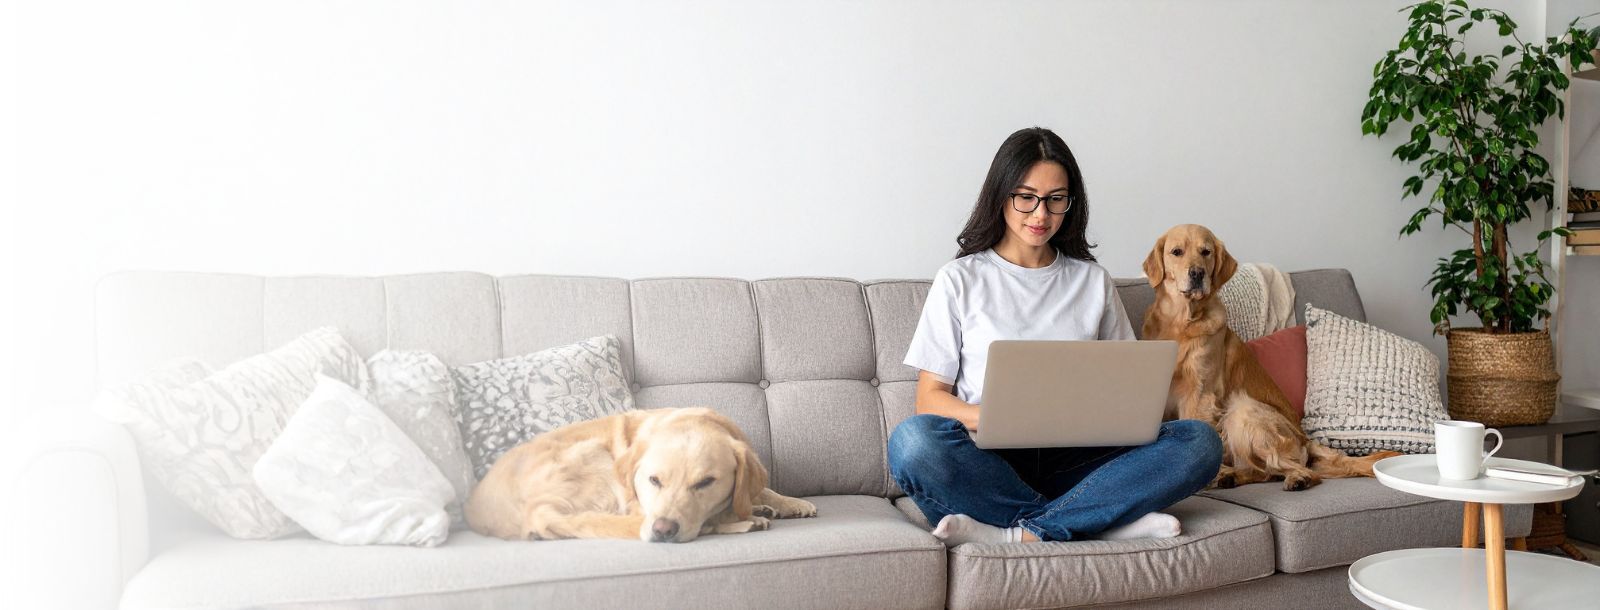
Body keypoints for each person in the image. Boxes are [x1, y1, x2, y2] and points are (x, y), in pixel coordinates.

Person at [887, 127, 1222, 546]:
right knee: (912, 442)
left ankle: (1019, 533)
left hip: (1080, 461)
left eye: (1055, 199)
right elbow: (929, 399)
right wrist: (996, 417)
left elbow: (1129, 390)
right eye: (1026, 197)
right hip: (990, 461)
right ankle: (1100, 521)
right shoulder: (959, 279)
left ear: (1071, 202)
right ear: (1001, 195)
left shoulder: (1092, 281)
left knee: (1199, 442)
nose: (1040, 215)